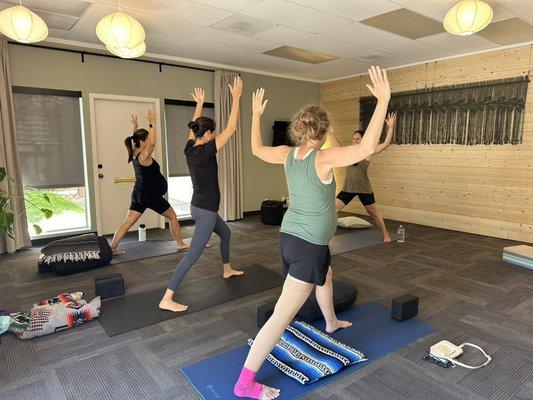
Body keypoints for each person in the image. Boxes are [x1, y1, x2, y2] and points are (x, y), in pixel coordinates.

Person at [234, 66, 391, 400]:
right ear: (326, 131)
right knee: (280, 317)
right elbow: (365, 150)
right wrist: (383, 101)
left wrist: (254, 116)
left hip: (293, 240)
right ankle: (245, 383)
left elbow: (256, 150)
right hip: (306, 246)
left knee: (327, 275)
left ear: (298, 129)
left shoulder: (288, 153)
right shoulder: (324, 158)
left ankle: (330, 321)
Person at [159, 78, 244, 313]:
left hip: (200, 206)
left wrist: (199, 105)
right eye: (212, 132)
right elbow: (232, 129)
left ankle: (226, 268)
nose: (214, 134)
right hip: (205, 211)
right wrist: (236, 98)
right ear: (207, 134)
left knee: (225, 234)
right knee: (192, 256)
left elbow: (192, 129)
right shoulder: (206, 151)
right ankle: (167, 297)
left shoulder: (189, 149)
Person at [110, 109, 189, 255]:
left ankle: (112, 248)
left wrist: (135, 126)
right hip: (149, 195)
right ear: (143, 141)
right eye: (146, 139)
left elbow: (138, 140)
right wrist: (152, 123)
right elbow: (152, 144)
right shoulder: (144, 156)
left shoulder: (135, 152)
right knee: (172, 216)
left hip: (138, 194)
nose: (149, 141)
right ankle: (180, 243)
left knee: (127, 223)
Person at [333, 112, 396, 242]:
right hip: (348, 189)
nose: (355, 140)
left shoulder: (367, 153)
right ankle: (326, 234)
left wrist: (390, 127)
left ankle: (386, 234)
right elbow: (338, 147)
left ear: (363, 140)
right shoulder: (348, 153)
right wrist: (331, 133)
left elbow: (385, 144)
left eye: (357, 138)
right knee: (333, 209)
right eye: (353, 138)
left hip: (364, 189)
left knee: (373, 213)